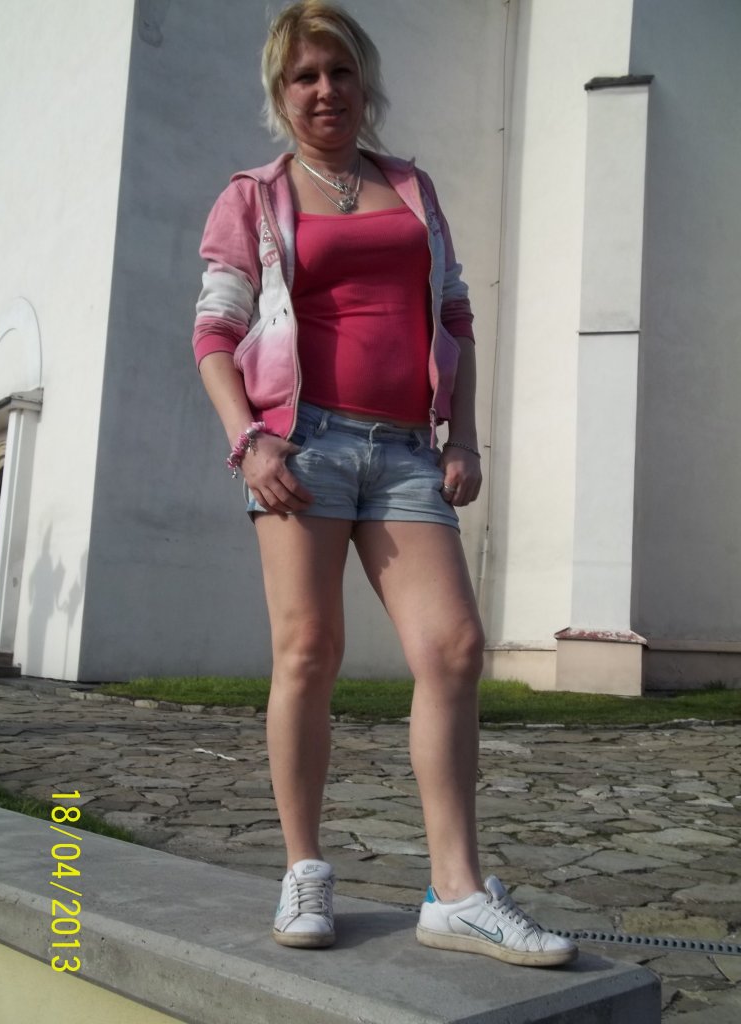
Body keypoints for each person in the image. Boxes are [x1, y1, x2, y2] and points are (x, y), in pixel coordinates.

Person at [192, 0, 576, 968]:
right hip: (301, 447)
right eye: (305, 76)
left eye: (340, 71)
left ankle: (457, 891)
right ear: (282, 93)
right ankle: (304, 869)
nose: (325, 90)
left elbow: (456, 317)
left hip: (406, 450)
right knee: (308, 651)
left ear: (365, 82)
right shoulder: (255, 196)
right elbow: (215, 334)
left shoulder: (410, 187)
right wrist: (249, 442)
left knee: (453, 647)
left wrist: (464, 434)